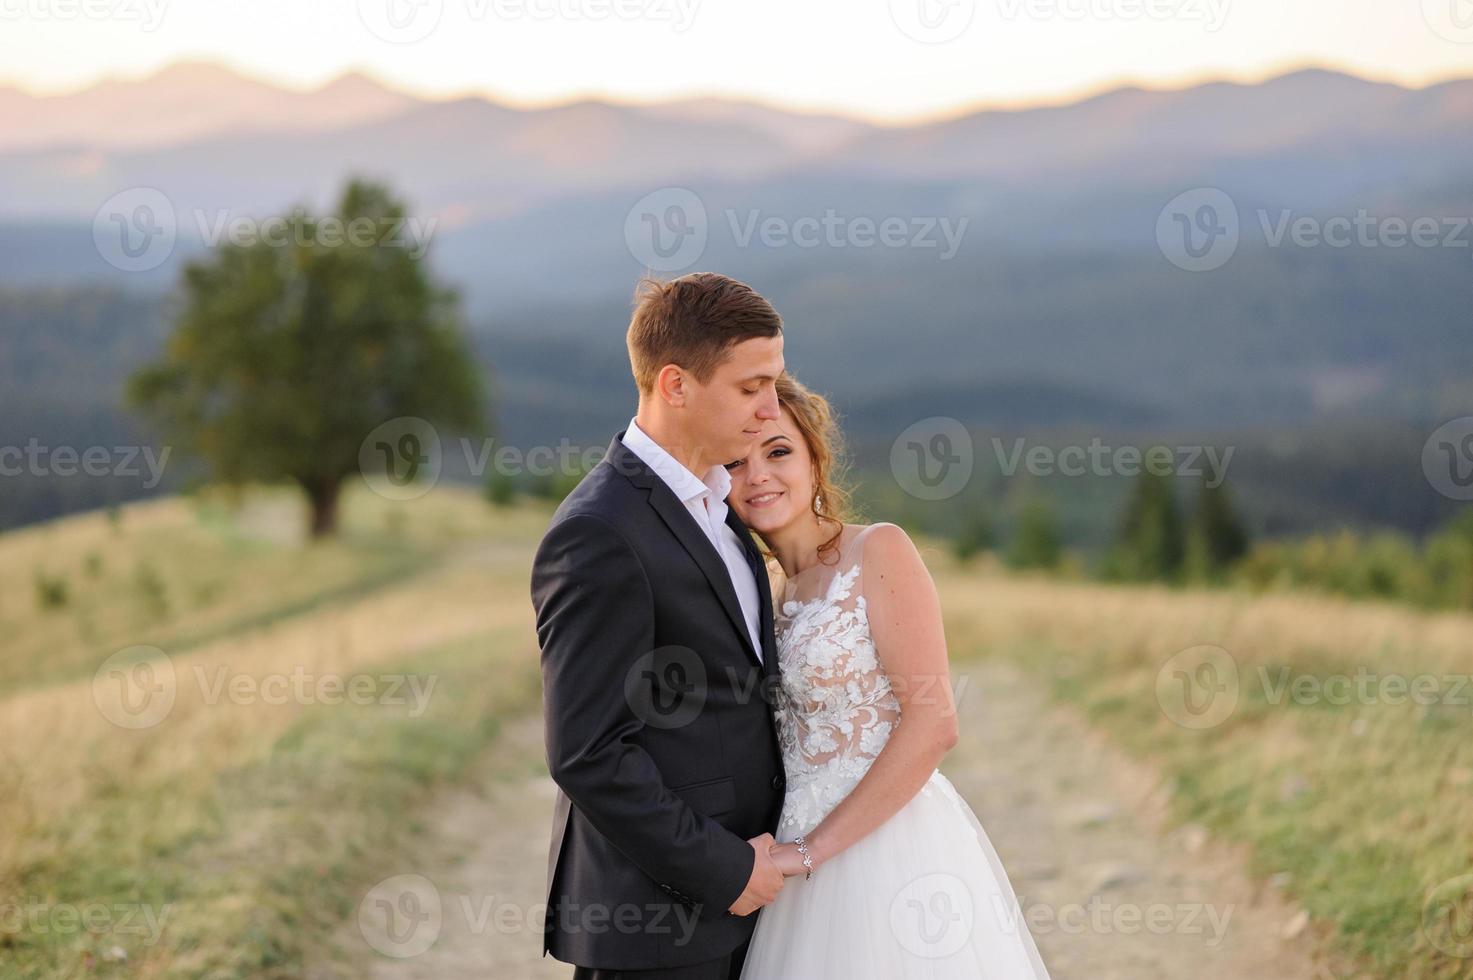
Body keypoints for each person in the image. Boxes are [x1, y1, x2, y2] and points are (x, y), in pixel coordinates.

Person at [726, 373, 1054, 979]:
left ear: (815, 458)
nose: (759, 476)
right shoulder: (757, 590)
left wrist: (810, 852)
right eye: (735, 463)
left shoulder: (879, 552)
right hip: (788, 855)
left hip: (887, 845)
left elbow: (934, 722)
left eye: (777, 451)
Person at [531, 272, 790, 978]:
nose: (772, 409)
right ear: (675, 385)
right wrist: (727, 870)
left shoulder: (719, 502)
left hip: (745, 911)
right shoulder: (598, 534)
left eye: (774, 383)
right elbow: (587, 753)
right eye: (750, 387)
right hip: (656, 929)